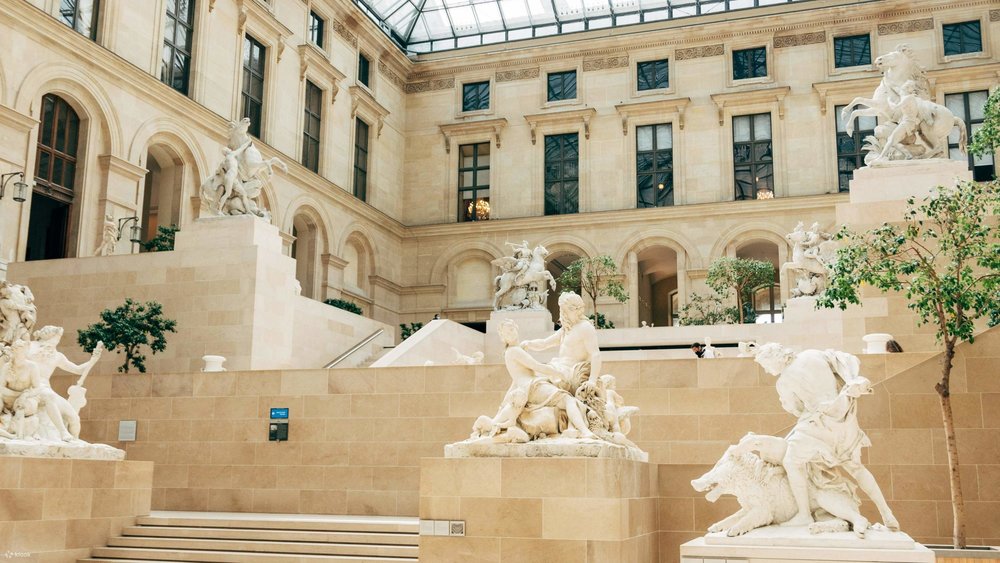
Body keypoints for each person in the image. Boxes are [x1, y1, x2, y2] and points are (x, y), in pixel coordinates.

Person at [753, 343, 899, 534]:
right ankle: (887, 514)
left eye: (765, 365)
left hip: (818, 424)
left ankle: (804, 514)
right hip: (844, 416)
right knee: (855, 467)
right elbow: (847, 362)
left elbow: (796, 409)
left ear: (775, 358)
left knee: (792, 461)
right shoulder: (813, 353)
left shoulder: (784, 381)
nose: (766, 370)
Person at [485, 319, 594, 440]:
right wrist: (559, 374)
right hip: (534, 387)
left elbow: (515, 381)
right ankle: (584, 431)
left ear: (516, 328)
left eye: (511, 329)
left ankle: (577, 429)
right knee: (568, 400)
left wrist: (504, 403)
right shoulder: (515, 351)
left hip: (528, 389)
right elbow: (538, 367)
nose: (510, 334)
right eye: (506, 333)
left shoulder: (511, 351)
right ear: (503, 338)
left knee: (568, 400)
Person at [520, 292, 602, 388]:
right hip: (558, 367)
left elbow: (595, 354)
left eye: (564, 310)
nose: (562, 314)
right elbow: (545, 343)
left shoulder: (585, 327)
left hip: (570, 372)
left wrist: (592, 380)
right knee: (530, 376)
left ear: (574, 310)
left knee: (536, 374)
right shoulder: (566, 329)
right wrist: (528, 344)